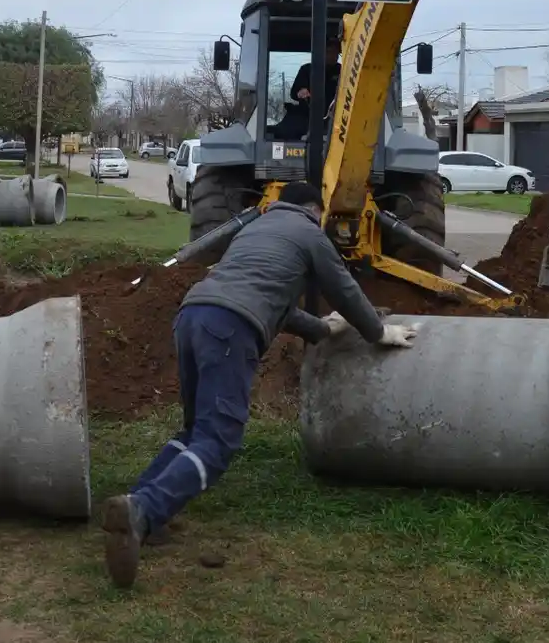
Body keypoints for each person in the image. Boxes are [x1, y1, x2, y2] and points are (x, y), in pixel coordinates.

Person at [99, 180, 417, 588]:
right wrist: (378, 333)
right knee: (218, 441)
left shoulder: (255, 231)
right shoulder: (309, 232)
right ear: (314, 209)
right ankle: (142, 511)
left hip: (193, 315)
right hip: (229, 329)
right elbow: (346, 289)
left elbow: (273, 305)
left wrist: (323, 329)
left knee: (196, 430)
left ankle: (136, 508)